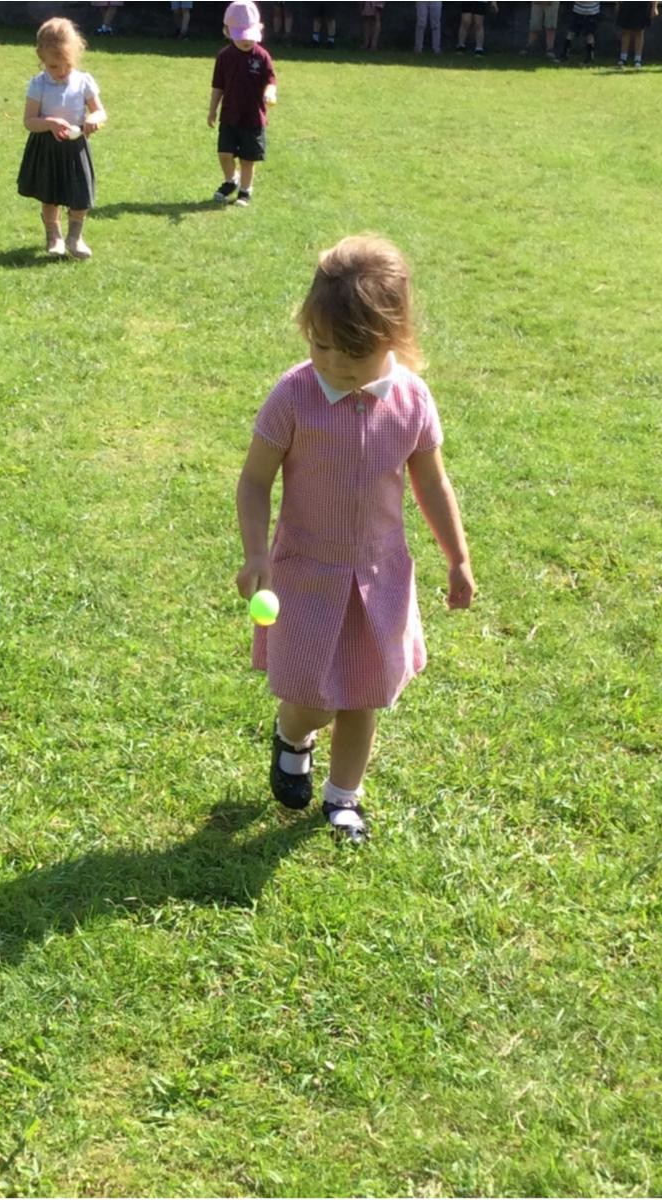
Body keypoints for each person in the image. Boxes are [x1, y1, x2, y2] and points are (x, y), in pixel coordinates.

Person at [236, 235, 474, 843]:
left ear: (394, 339)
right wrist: (256, 553)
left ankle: (343, 798)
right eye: (320, 345)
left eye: (353, 353)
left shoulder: (412, 399)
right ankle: (293, 733)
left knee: (362, 695)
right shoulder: (295, 394)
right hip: (305, 574)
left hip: (378, 576)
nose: (334, 364)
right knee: (311, 695)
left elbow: (432, 483)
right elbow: (256, 480)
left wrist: (457, 557)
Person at [17, 17, 106, 259]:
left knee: (80, 195)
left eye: (66, 65)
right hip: (47, 146)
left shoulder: (83, 81)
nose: (61, 72)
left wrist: (93, 118)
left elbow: (100, 111)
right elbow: (29, 121)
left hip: (76, 147)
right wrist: (49, 123)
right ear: (41, 56)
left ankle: (75, 237)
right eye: (53, 66)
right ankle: (54, 236)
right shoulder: (38, 84)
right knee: (50, 194)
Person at [208, 1, 276, 209]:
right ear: (228, 32)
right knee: (224, 154)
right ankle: (231, 180)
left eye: (250, 35)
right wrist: (212, 111)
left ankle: (245, 190)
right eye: (241, 36)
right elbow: (218, 86)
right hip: (230, 115)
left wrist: (270, 92)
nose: (246, 40)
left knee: (248, 158)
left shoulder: (262, 56)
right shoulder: (224, 57)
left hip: (253, 118)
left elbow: (271, 80)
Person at [616, 2, 658, 67]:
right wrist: (618, 3)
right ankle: (623, 58)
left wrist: (654, 7)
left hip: (642, 4)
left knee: (639, 31)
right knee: (625, 31)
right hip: (626, 3)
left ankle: (637, 59)